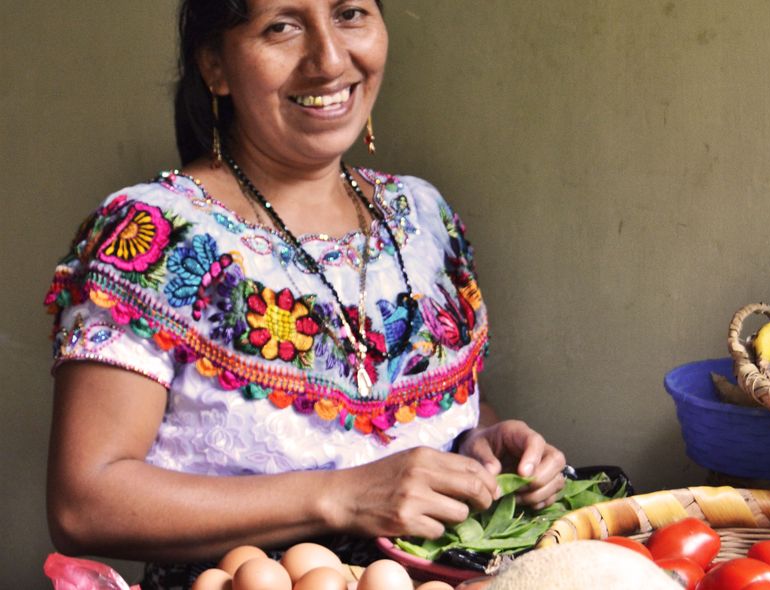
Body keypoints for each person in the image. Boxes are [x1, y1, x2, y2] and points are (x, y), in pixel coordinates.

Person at [44, 1, 567, 588]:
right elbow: (84, 503)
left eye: (349, 13)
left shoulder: (421, 218)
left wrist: (483, 446)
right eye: (282, 27)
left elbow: (436, 416)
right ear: (215, 66)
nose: (329, 58)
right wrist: (339, 496)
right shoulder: (155, 237)